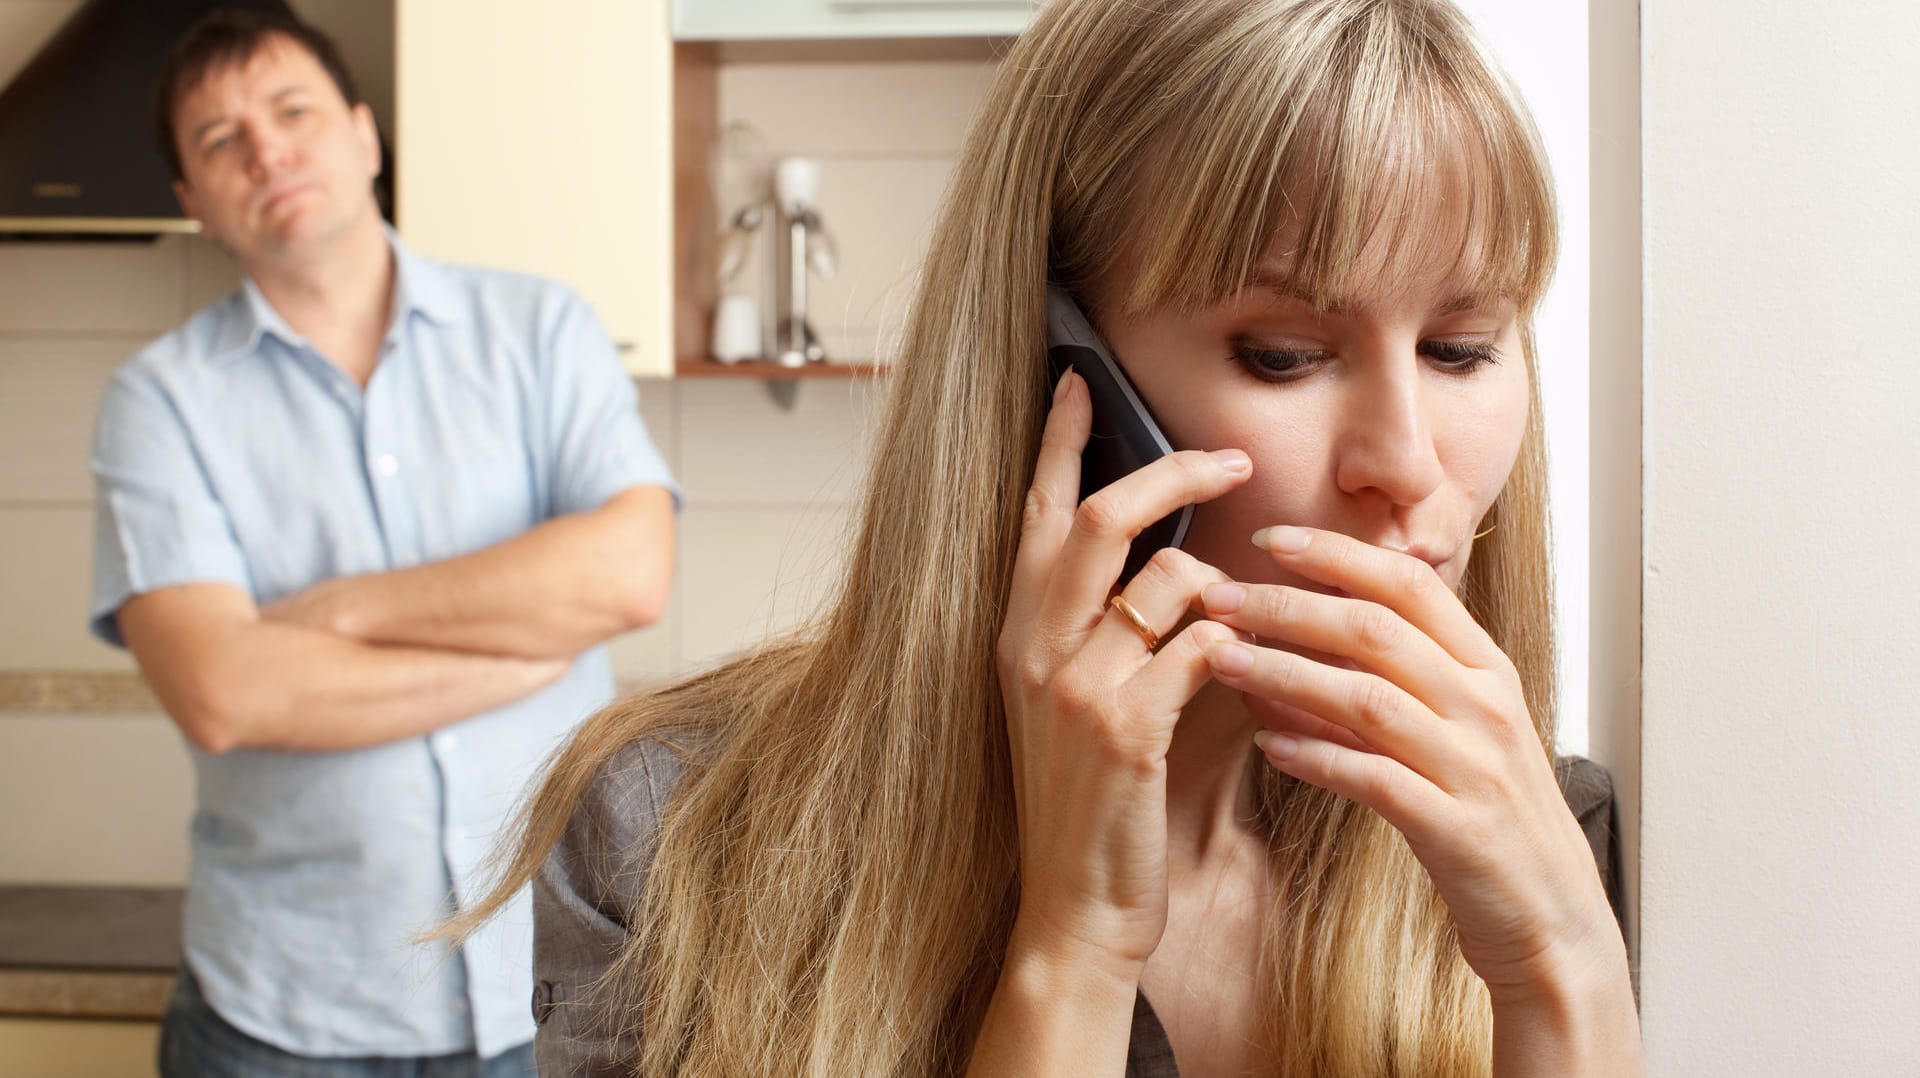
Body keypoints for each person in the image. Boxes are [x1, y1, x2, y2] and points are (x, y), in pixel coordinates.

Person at [449, 0, 1641, 1073]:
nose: (1412, 464)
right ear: (1061, 369)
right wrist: (1071, 954)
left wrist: (1561, 973)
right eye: (1283, 354)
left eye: (1462, 349)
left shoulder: (1556, 832)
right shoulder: (670, 840)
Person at [87, 9, 678, 1076]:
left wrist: (345, 607)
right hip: (283, 1019)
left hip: (546, 992)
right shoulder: (156, 404)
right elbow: (227, 692)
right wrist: (529, 649)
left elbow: (633, 571)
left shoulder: (540, 330)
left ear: (365, 136)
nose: (266, 150)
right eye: (221, 141)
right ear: (194, 206)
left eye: (291, 110)